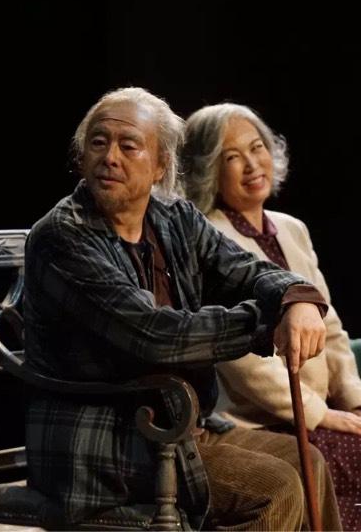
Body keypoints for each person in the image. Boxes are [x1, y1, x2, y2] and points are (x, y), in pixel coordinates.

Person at [23, 87, 342, 530]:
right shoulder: (63, 237)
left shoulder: (174, 217)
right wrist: (268, 324)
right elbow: (156, 335)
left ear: (161, 166)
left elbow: (247, 269)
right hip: (106, 441)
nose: (110, 157)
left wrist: (296, 297)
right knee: (279, 487)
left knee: (310, 463)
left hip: (179, 426)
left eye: (128, 146)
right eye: (98, 142)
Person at [181, 102, 361, 531]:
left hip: (325, 413)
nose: (252, 165)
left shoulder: (291, 228)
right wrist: (324, 415)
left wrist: (354, 401)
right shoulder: (208, 239)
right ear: (208, 169)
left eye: (257, 148)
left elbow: (330, 326)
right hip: (267, 423)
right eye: (231, 157)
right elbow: (244, 362)